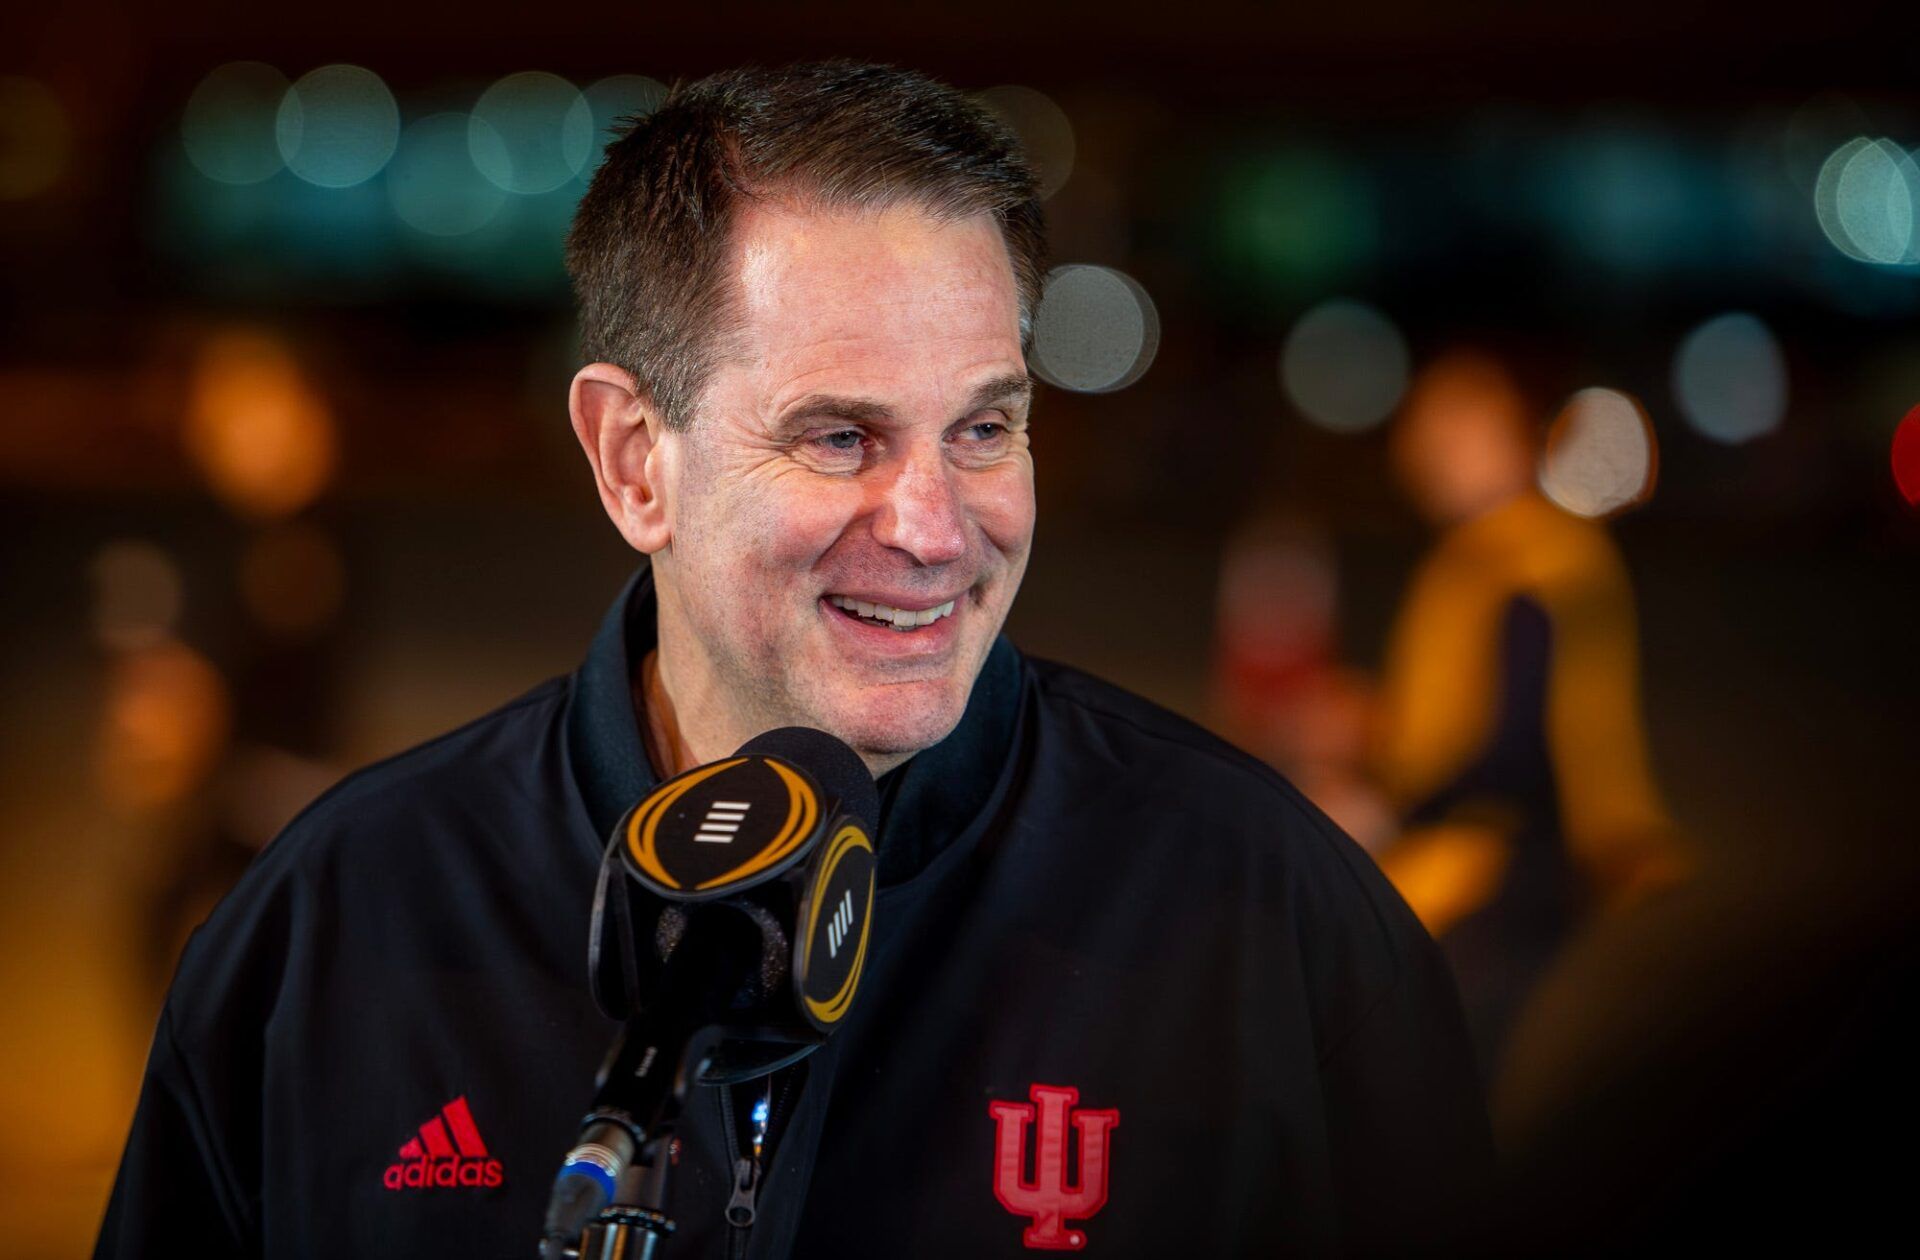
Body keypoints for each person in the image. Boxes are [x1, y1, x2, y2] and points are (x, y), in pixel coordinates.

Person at [97, 62, 1488, 1258]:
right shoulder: (331, 933)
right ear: (636, 461)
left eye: (985, 429)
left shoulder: (1278, 927)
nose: (940, 530)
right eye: (842, 438)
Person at [1369, 349, 1689, 1080]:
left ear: (1509, 430)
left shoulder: (1536, 562)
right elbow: (1449, 720)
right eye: (1418, 428)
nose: (1424, 448)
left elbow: (1519, 749)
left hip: (1540, 859)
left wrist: (1391, 809)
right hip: (1499, 846)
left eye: (1450, 426)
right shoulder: (1477, 556)